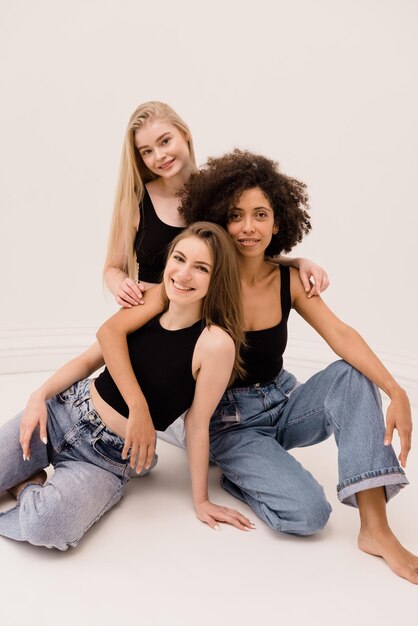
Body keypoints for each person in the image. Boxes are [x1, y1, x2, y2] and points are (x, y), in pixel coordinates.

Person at [98, 150, 417, 584]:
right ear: (218, 221)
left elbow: (341, 335)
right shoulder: (198, 282)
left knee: (353, 373)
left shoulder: (288, 280)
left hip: (284, 400)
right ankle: (242, 475)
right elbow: (118, 329)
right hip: (230, 423)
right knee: (308, 515)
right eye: (236, 215)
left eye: (261, 214)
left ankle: (376, 530)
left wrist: (396, 390)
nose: (248, 227)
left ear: (279, 222)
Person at [0, 223, 253, 551]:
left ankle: (28, 486)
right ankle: (30, 481)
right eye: (179, 258)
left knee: (47, 525)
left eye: (201, 268)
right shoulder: (152, 300)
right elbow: (90, 358)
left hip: (105, 458)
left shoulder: (215, 343)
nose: (184, 274)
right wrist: (39, 395)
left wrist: (201, 500)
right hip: (64, 411)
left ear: (217, 278)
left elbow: (197, 422)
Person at [103, 100, 329, 308]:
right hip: (144, 318)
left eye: (165, 141)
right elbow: (113, 268)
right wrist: (121, 286)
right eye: (147, 151)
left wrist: (297, 262)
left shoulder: (221, 193)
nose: (160, 155)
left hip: (203, 320)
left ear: (184, 133)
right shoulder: (135, 203)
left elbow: (247, 248)